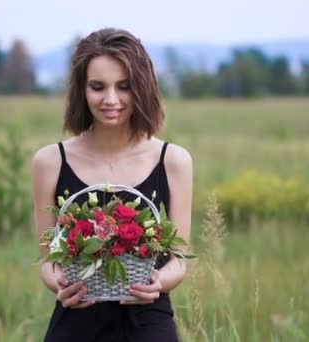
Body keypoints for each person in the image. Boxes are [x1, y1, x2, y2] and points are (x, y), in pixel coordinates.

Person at [31, 27, 193, 342]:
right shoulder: (50, 162)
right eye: (97, 86)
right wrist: (61, 286)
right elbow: (48, 262)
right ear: (81, 89)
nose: (111, 99)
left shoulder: (173, 161)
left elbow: (179, 262)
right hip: (76, 321)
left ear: (142, 87)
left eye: (124, 86)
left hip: (148, 323)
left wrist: (157, 282)